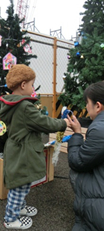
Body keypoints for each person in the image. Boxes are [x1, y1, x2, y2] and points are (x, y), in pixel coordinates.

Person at [0, 64, 70, 230]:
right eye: (32, 84)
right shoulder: (24, 107)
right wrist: (63, 122)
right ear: (23, 85)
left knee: (21, 182)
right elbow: (44, 123)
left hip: (17, 149)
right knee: (20, 186)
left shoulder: (12, 104)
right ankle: (11, 219)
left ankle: (20, 208)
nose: (33, 88)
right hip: (23, 152)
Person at [67, 81, 104, 231]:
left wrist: (77, 134)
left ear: (98, 105)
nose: (86, 108)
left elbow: (77, 161)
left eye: (87, 103)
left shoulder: (99, 129)